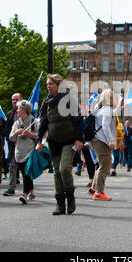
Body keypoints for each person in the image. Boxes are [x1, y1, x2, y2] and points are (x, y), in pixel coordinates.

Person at [36, 74, 84, 215]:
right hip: (53, 140)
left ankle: (71, 197)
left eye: (51, 84)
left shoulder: (69, 99)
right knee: (57, 172)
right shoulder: (46, 102)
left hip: (70, 140)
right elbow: (43, 122)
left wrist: (79, 139)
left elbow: (79, 120)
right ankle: (60, 204)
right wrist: (39, 140)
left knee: (64, 169)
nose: (48, 86)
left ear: (58, 85)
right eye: (47, 84)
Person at [88, 89, 123, 200]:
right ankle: (99, 192)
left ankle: (94, 188)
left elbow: (112, 115)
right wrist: (111, 141)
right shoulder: (107, 109)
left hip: (96, 140)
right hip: (101, 141)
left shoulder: (102, 109)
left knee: (102, 164)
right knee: (106, 165)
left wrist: (120, 107)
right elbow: (105, 126)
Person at [9, 100, 38, 205]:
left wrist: (30, 134)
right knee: (25, 173)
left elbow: (40, 135)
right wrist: (17, 132)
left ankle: (24, 195)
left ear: (25, 110)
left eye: (19, 108)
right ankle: (32, 192)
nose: (17, 110)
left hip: (30, 151)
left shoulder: (34, 122)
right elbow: (11, 137)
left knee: (26, 173)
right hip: (19, 152)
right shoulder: (17, 123)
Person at [4, 93, 23, 196]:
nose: (15, 101)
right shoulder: (10, 114)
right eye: (13, 100)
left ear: (21, 100)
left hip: (25, 145)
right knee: (12, 166)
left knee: (25, 168)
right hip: (13, 144)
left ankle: (28, 190)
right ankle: (11, 188)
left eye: (17, 99)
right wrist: (9, 139)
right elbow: (7, 129)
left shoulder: (28, 113)